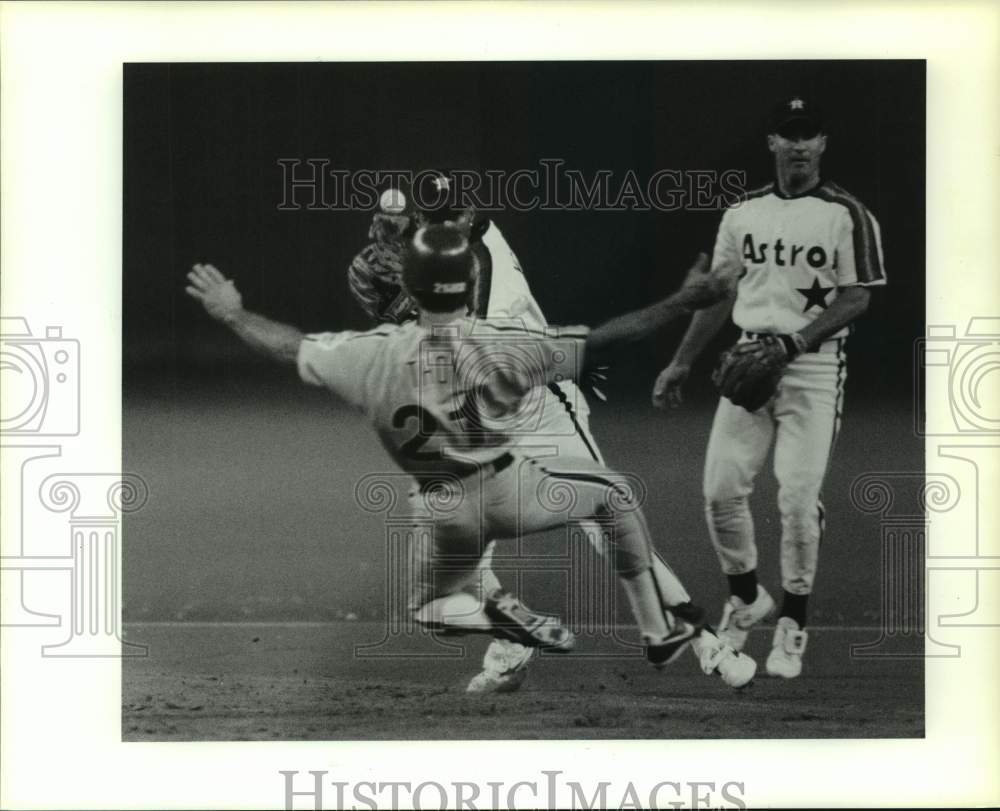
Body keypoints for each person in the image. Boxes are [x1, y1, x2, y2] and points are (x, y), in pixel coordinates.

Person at [186, 223, 757, 691]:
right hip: (508, 390)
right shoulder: (471, 302)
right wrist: (686, 299)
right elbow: (607, 339)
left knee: (466, 559)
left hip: (528, 414)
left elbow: (292, 345)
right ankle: (523, 640)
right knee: (605, 507)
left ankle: (704, 640)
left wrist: (232, 313)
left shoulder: (388, 340)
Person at [347, 171, 613, 694]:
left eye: (445, 216)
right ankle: (512, 644)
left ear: (468, 215)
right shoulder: (442, 255)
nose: (430, 226)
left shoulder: (479, 255)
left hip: (527, 400)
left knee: (602, 517)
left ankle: (701, 639)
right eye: (416, 220)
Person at [652, 96, 886, 678]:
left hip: (812, 367)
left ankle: (794, 622)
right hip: (749, 356)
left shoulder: (846, 214)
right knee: (719, 490)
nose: (800, 145)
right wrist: (681, 361)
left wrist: (797, 343)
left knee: (798, 498)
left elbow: (858, 295)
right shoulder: (742, 213)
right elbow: (720, 295)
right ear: (773, 144)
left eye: (810, 135)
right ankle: (748, 596)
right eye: (790, 135)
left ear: (823, 144)